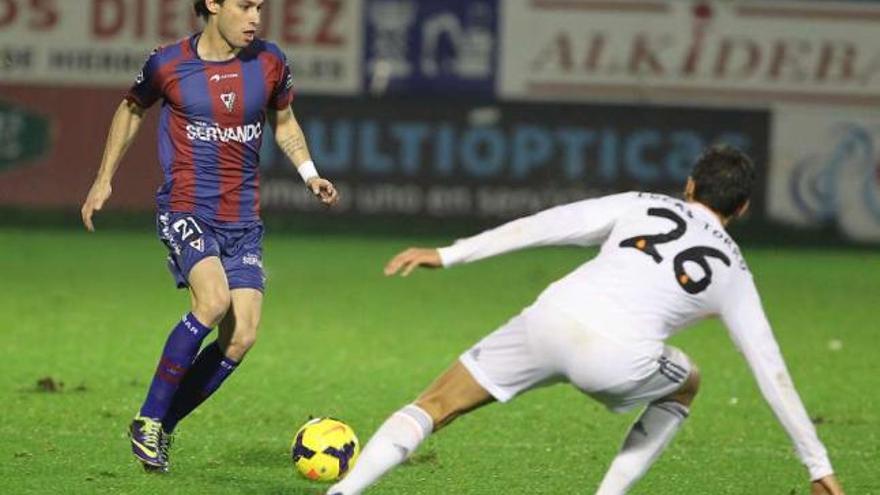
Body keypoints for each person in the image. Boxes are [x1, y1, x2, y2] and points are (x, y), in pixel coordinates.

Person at [327, 146, 843, 495]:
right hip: (618, 358)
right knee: (686, 383)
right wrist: (817, 464)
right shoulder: (733, 269)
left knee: (437, 404)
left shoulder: (642, 204)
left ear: (688, 186)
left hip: (552, 317)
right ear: (744, 207)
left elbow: (546, 224)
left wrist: (452, 253)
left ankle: (343, 491)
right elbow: (768, 366)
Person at [80, 0, 338, 472]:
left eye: (260, 6)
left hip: (243, 220)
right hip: (186, 208)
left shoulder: (270, 61)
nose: (255, 16)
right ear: (213, 5)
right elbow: (132, 109)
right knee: (213, 301)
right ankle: (150, 417)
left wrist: (309, 173)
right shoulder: (168, 63)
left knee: (241, 336)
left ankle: (158, 424)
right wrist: (104, 178)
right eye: (245, 6)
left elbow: (283, 120)